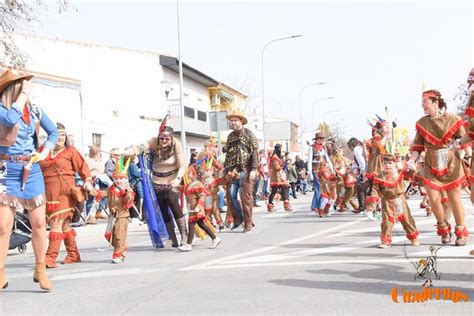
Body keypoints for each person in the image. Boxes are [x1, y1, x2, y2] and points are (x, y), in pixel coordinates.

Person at [0, 69, 58, 291]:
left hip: (31, 169)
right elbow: (9, 119)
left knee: (40, 223)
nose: (26, 88)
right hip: (6, 169)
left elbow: (53, 132)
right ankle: (1, 272)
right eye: (21, 85)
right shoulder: (3, 108)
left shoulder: (34, 111)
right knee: (4, 226)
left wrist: (45, 151)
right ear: (12, 88)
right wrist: (22, 96)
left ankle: (40, 269)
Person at [407, 89, 469, 246]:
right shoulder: (422, 123)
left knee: (455, 199)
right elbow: (417, 147)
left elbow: (464, 139)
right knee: (434, 199)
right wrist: (411, 161)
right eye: (422, 103)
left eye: (425, 103)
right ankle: (443, 226)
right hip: (431, 163)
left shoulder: (453, 118)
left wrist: (465, 152)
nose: (423, 106)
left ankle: (461, 232)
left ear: (436, 103)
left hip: (451, 162)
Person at [39, 123, 94, 268]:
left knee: (56, 222)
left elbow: (83, 168)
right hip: (48, 193)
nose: (60, 138)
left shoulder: (70, 151)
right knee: (64, 224)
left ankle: (50, 258)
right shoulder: (43, 151)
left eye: (63, 135)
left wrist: (87, 181)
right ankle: (73, 254)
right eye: (57, 134)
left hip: (65, 192)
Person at [147, 117, 188, 247]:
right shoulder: (153, 142)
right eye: (162, 138)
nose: (164, 140)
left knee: (174, 204)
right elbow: (140, 148)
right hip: (157, 181)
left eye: (167, 138)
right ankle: (172, 238)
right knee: (163, 209)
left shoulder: (176, 144)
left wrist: (177, 179)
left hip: (173, 180)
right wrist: (127, 152)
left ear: (171, 138)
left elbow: (182, 165)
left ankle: (184, 235)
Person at [223, 109, 259, 233]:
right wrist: (225, 169)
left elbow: (254, 153)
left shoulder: (249, 134)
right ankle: (238, 219)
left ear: (241, 121)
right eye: (231, 121)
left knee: (246, 198)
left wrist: (254, 169)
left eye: (235, 120)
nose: (233, 123)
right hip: (232, 171)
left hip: (245, 170)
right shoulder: (230, 136)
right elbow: (228, 155)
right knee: (231, 196)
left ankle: (248, 223)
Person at [373, 154, 420, 248]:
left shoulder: (399, 172)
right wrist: (374, 201)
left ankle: (413, 237)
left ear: (394, 163)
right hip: (387, 201)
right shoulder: (379, 176)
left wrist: (412, 169)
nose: (387, 165)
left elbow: (412, 176)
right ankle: (386, 240)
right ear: (382, 164)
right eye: (385, 163)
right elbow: (375, 190)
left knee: (406, 219)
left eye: (390, 163)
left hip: (400, 200)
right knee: (386, 222)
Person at [177, 165, 221, 252]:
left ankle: (188, 244)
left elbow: (202, 196)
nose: (188, 174)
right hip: (191, 209)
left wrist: (198, 207)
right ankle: (215, 238)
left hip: (197, 209)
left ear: (195, 174)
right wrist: (174, 185)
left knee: (191, 225)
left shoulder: (198, 184)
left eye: (189, 173)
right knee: (201, 225)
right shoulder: (189, 185)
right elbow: (182, 188)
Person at [104, 156, 135, 263]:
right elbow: (105, 194)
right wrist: (93, 191)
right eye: (116, 178)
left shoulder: (128, 190)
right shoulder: (111, 188)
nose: (118, 180)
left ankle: (117, 254)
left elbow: (128, 200)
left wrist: (124, 191)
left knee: (119, 235)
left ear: (126, 179)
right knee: (108, 235)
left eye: (121, 178)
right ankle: (123, 247)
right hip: (112, 216)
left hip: (122, 216)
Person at [267, 144, 293, 212]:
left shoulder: (276, 157)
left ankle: (286, 204)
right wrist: (282, 166)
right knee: (274, 191)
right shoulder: (275, 157)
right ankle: (270, 205)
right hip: (277, 176)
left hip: (279, 176)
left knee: (285, 188)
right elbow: (277, 167)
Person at [347, 137, 368, 214]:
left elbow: (361, 161)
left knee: (362, 188)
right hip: (363, 169)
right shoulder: (360, 148)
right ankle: (363, 207)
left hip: (363, 170)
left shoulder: (356, 149)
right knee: (360, 189)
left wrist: (362, 171)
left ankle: (365, 207)